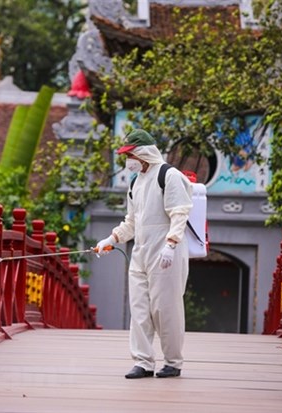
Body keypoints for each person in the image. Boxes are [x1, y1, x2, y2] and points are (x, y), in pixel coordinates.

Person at [96, 129, 193, 379]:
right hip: (140, 251)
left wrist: (171, 244)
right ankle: (143, 362)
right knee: (139, 309)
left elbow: (180, 212)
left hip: (165, 251)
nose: (127, 161)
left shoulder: (169, 175)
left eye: (130, 155)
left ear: (143, 152)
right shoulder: (135, 182)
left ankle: (172, 362)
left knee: (165, 308)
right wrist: (112, 239)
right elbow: (132, 222)